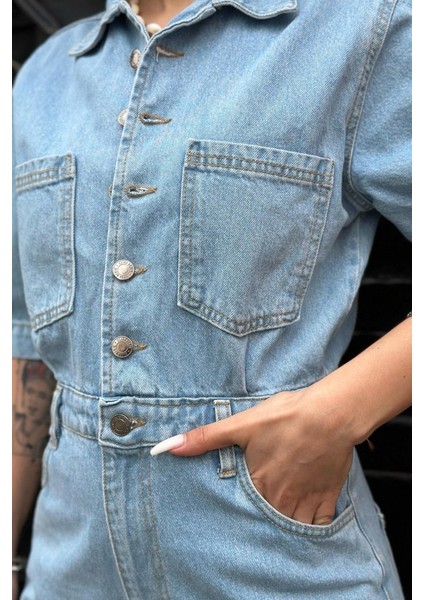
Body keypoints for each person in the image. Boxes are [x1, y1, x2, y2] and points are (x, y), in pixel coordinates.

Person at [12, 0, 411, 598]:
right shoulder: (45, 74)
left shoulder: (363, 28)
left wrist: (333, 416)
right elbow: (25, 342)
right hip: (67, 560)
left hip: (270, 548)